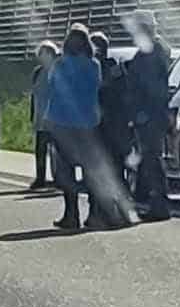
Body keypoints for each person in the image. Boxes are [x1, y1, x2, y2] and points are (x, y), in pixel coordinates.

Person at [45, 23, 131, 231]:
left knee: (66, 171)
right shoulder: (94, 65)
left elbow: (52, 86)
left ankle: (71, 214)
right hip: (88, 123)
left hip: (62, 123)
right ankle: (94, 215)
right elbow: (97, 87)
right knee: (91, 172)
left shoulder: (59, 65)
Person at [123, 9, 171, 221]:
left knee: (152, 158)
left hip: (150, 115)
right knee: (149, 158)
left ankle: (159, 203)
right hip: (151, 114)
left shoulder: (152, 51)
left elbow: (149, 86)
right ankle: (151, 200)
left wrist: (142, 112)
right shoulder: (155, 49)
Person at [90, 31, 131, 189]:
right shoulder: (96, 67)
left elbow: (121, 95)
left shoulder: (112, 69)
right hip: (102, 122)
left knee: (115, 162)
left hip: (112, 123)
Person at [28, 40, 58, 189]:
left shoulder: (59, 70)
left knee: (56, 151)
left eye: (44, 53)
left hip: (55, 118)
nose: (41, 57)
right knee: (40, 150)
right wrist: (32, 114)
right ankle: (40, 178)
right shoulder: (38, 72)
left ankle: (59, 178)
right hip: (40, 117)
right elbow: (34, 95)